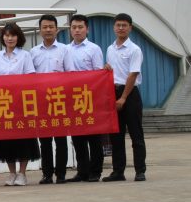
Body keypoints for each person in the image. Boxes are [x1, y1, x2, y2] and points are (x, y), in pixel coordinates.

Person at [0, 23, 39, 186]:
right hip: (3, 102)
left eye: (13, 35)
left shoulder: (25, 55)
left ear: (18, 37)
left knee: (24, 138)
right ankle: (12, 173)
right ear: (2, 37)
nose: (9, 38)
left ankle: (22, 173)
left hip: (21, 103)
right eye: (6, 35)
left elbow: (30, 76)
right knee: (6, 138)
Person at [104, 13, 146, 182]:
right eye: (118, 25)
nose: (121, 28)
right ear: (114, 27)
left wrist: (123, 98)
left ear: (130, 28)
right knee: (116, 135)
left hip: (130, 94)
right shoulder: (110, 49)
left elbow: (133, 75)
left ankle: (140, 170)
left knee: (136, 135)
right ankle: (118, 172)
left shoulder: (134, 49)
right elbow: (112, 72)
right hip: (113, 92)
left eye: (124, 25)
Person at [31, 15, 71, 184]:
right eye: (44, 27)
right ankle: (47, 174)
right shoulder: (33, 52)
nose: (48, 30)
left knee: (61, 139)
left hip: (59, 99)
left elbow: (70, 74)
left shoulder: (64, 50)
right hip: (41, 101)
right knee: (45, 140)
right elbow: (30, 78)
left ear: (56, 29)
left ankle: (61, 174)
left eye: (51, 27)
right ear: (40, 30)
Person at [65, 14, 105, 183]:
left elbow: (99, 74)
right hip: (72, 99)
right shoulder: (66, 49)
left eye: (80, 27)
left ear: (87, 29)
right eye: (74, 27)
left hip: (90, 97)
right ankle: (82, 172)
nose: (77, 30)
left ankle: (95, 172)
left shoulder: (94, 49)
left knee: (94, 138)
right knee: (78, 138)